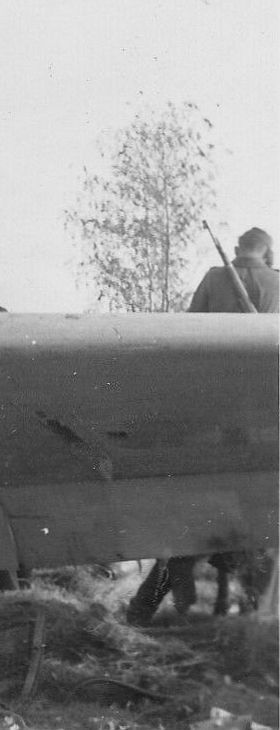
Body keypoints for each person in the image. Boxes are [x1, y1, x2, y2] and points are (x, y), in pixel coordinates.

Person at [127, 225, 278, 623]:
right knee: (262, 529)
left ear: (237, 249)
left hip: (211, 429)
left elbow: (187, 340)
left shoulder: (214, 278)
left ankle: (143, 608)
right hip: (263, 433)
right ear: (270, 254)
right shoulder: (277, 284)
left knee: (190, 531)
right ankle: (248, 618)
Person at [188, 227, 279, 314]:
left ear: (236, 250)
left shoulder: (213, 277)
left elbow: (193, 318)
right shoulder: (277, 279)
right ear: (268, 254)